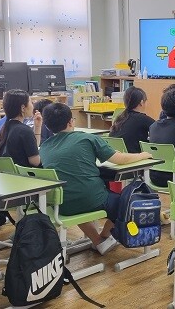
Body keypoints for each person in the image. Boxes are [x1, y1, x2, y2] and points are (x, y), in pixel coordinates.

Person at [40, 103, 152, 255]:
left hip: (61, 205)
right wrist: (141, 155)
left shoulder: (44, 147)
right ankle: (105, 236)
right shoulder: (87, 138)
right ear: (71, 122)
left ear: (47, 126)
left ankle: (98, 241)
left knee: (76, 193)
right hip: (91, 199)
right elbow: (119, 159)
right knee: (127, 203)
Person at [0, 89, 41, 167]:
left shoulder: (6, 127)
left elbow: (32, 149)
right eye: (31, 102)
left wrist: (37, 127)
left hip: (8, 175)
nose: (33, 105)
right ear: (23, 108)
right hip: (25, 176)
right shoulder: (24, 131)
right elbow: (35, 162)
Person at [109, 86, 155, 153]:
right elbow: (159, 129)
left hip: (116, 156)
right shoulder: (142, 119)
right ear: (141, 102)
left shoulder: (119, 118)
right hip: (133, 157)